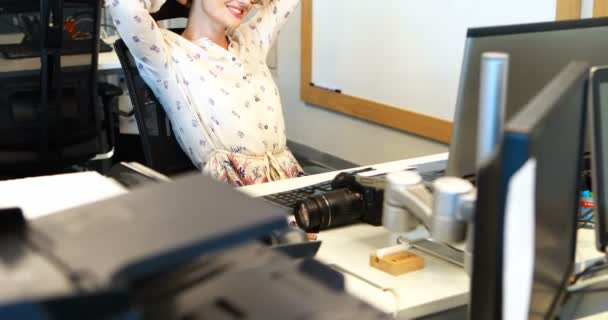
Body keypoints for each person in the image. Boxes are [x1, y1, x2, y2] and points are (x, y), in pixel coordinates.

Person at [106, 0, 304, 186]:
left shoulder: (251, 40)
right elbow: (124, 5)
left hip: (292, 187)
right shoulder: (164, 55)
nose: (247, 2)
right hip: (238, 201)